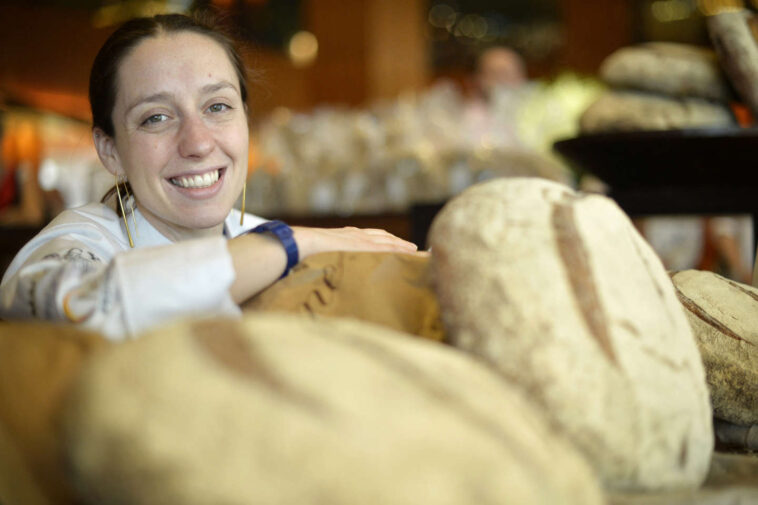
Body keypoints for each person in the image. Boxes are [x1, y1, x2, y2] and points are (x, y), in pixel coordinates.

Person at [0, 13, 417, 340]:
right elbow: (72, 313)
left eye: (217, 107)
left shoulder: (262, 237)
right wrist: (294, 242)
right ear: (110, 150)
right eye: (156, 117)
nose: (198, 143)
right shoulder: (78, 243)